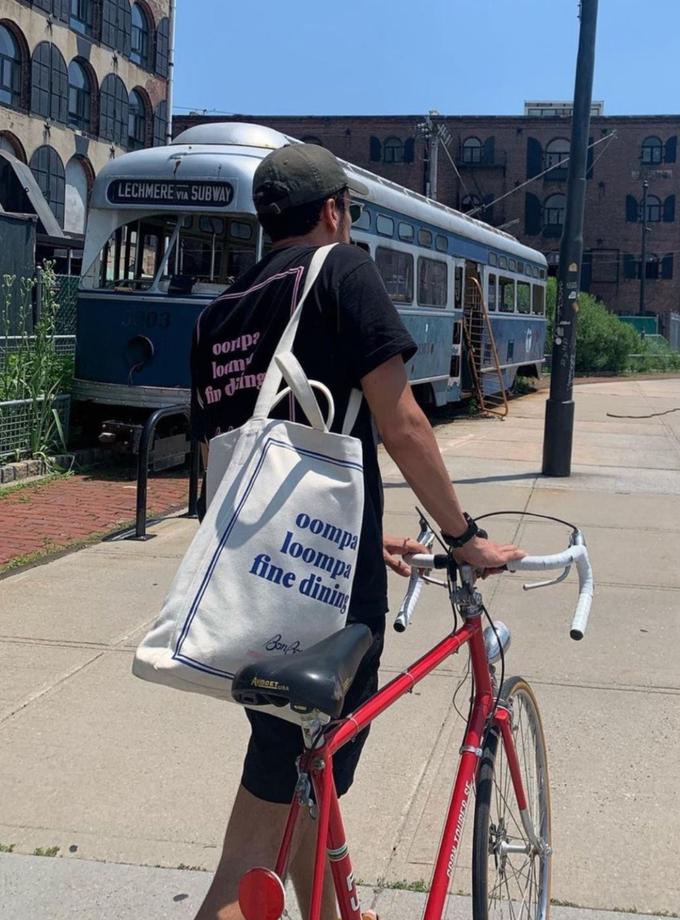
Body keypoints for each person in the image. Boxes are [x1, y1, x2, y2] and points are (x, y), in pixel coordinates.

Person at [190, 144, 524, 920]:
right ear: (334, 212)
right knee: (262, 832)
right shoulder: (340, 271)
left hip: (251, 592)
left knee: (307, 772)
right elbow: (402, 423)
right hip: (329, 606)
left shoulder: (219, 315)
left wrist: (351, 534)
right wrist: (464, 533)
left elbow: (225, 472)